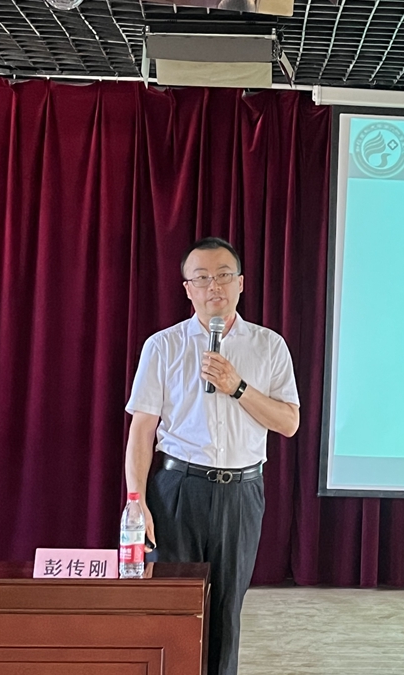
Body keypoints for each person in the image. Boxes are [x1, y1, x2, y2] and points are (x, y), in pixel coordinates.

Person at [124, 237, 299, 675]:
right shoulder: (163, 346)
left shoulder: (269, 346)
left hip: (241, 491)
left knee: (225, 608)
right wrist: (136, 500)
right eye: (201, 278)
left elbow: (288, 422)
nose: (213, 286)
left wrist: (237, 387)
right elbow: (142, 430)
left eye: (223, 275)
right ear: (188, 289)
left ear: (241, 283)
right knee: (172, 605)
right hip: (177, 489)